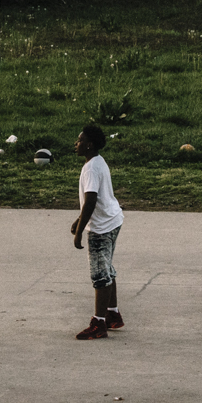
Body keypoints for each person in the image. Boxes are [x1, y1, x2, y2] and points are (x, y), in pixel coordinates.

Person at [69, 123, 124, 339]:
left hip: (101, 227)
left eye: (80, 140)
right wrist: (79, 219)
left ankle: (98, 324)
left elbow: (91, 200)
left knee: (100, 275)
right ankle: (112, 314)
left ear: (89, 145)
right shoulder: (98, 162)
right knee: (107, 268)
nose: (77, 143)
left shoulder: (91, 168)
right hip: (113, 220)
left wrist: (80, 231)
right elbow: (94, 200)